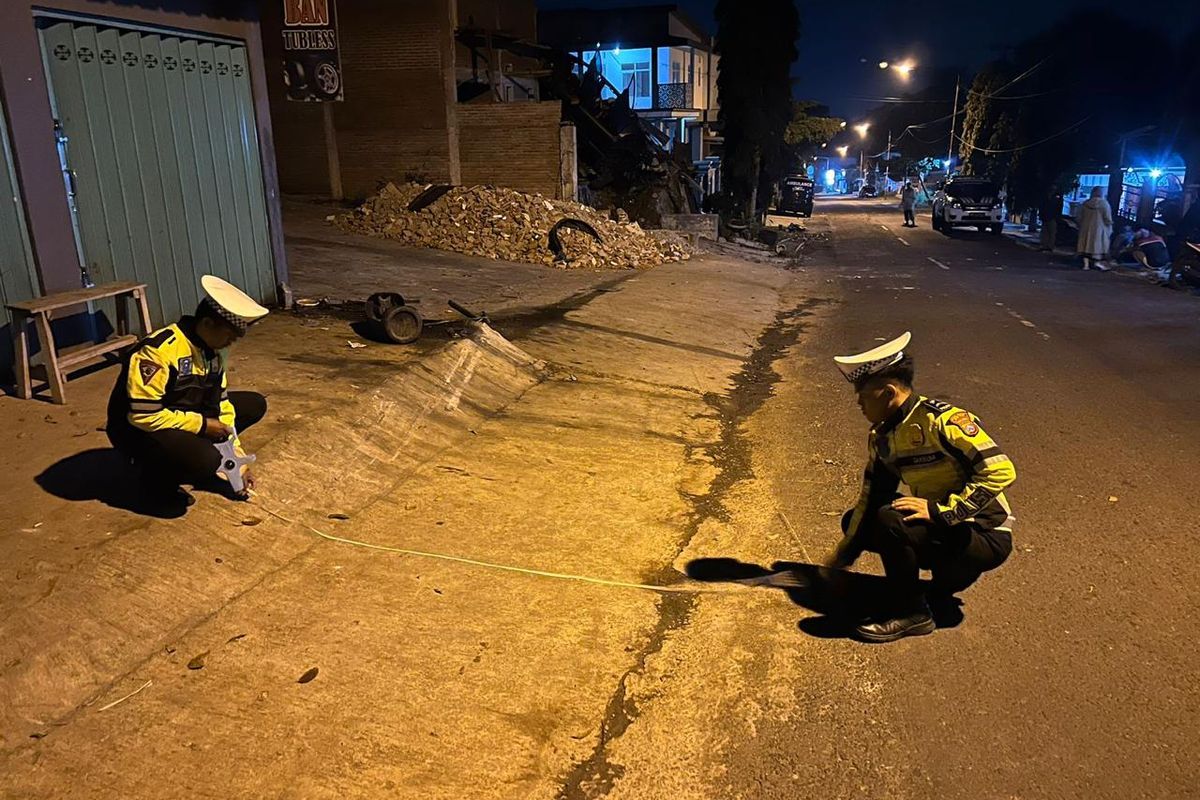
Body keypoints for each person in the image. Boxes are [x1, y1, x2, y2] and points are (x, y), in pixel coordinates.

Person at [825, 332, 1016, 642]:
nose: (859, 403)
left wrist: (940, 511)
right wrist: (845, 552)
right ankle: (945, 580)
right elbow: (872, 496)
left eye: (863, 395)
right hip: (949, 534)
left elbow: (1000, 470)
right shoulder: (884, 437)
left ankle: (912, 613)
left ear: (887, 392)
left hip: (984, 534)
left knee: (890, 519)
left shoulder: (943, 421)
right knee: (858, 521)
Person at [107, 275, 269, 510]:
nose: (230, 343)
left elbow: (221, 406)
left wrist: (237, 463)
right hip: (139, 430)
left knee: (253, 404)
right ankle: (155, 484)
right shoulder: (157, 352)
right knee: (205, 460)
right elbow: (143, 417)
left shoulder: (213, 353)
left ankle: (200, 459)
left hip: (181, 415)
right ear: (207, 324)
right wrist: (202, 426)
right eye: (228, 336)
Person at [1074, 186, 1113, 270]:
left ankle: (1086, 265)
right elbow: (1107, 218)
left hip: (1085, 228)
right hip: (1099, 229)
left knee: (1085, 246)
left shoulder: (1085, 204)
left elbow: (1079, 217)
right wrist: (1109, 226)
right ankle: (1096, 264)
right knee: (1096, 247)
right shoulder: (1104, 204)